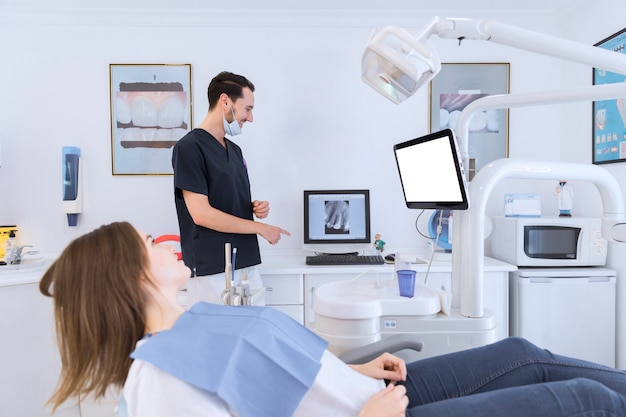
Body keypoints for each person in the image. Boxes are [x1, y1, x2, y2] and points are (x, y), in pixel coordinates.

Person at [41, 221, 626, 417]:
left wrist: (355, 366)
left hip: (368, 390)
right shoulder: (159, 376)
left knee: (523, 354)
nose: (163, 240)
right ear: (130, 274)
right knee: (582, 401)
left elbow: (278, 380)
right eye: (147, 241)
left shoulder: (196, 318)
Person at [172, 71, 290, 306]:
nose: (251, 117)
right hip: (212, 268)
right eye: (247, 108)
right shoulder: (189, 148)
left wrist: (255, 207)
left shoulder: (235, 151)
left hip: (246, 262)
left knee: (254, 333)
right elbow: (201, 214)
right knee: (218, 338)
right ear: (225, 101)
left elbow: (226, 199)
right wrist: (260, 227)